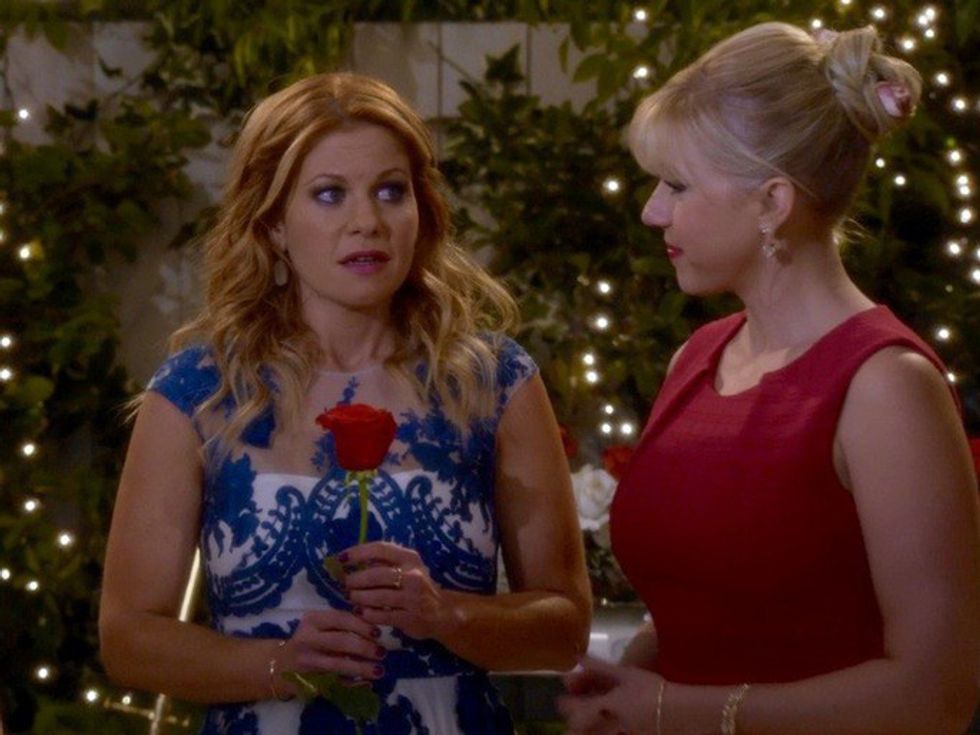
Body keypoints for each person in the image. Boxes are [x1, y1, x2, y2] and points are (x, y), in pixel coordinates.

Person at [99, 71, 592, 734]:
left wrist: (447, 614)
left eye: (391, 191)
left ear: (421, 211)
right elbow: (128, 638)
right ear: (274, 222)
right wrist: (278, 664)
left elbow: (565, 630)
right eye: (329, 194)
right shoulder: (200, 393)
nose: (368, 222)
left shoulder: (493, 383)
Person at [558, 21, 980, 735]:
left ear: (772, 203)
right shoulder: (696, 357)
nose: (651, 211)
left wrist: (668, 709)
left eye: (677, 184)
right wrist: (632, 672)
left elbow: (936, 695)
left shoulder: (886, 385)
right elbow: (716, 601)